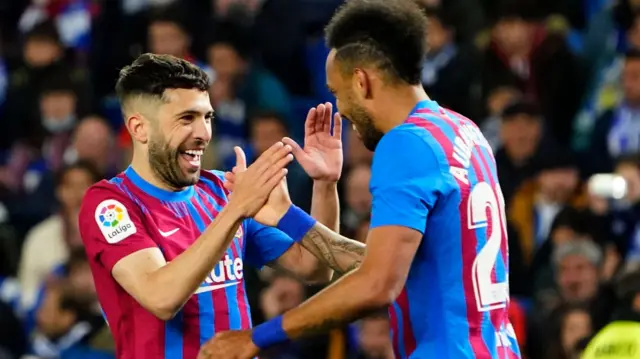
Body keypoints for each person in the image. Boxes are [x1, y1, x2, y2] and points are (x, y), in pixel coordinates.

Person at [199, 0, 522, 358]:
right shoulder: (463, 131)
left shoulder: (405, 144)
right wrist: (287, 216)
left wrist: (256, 337)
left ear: (362, 80)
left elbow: (377, 284)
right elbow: (387, 263)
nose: (340, 109)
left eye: (337, 93)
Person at [77, 53, 365, 359]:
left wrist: (324, 185)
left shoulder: (220, 191)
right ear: (139, 128)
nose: (203, 134)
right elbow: (161, 297)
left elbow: (314, 268)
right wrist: (236, 211)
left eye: (207, 117)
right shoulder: (111, 203)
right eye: (187, 118)